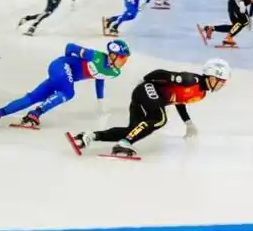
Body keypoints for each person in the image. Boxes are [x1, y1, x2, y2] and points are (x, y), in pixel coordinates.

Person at [66, 58, 230, 159]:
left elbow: (179, 101)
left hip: (147, 97)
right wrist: (143, 80)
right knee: (159, 119)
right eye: (220, 81)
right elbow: (162, 73)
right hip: (147, 89)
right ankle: (124, 143)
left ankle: (88, 137)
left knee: (133, 130)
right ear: (211, 76)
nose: (221, 85)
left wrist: (188, 122)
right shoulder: (191, 80)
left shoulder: (201, 94)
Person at [0, 40, 129, 131]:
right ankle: (35, 114)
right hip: (61, 67)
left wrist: (100, 101)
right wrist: (67, 62)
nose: (124, 62)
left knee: (33, 97)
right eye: (122, 58)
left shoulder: (115, 72)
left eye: (126, 59)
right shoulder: (95, 56)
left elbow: (100, 78)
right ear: (112, 55)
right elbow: (70, 47)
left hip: (62, 76)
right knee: (68, 93)